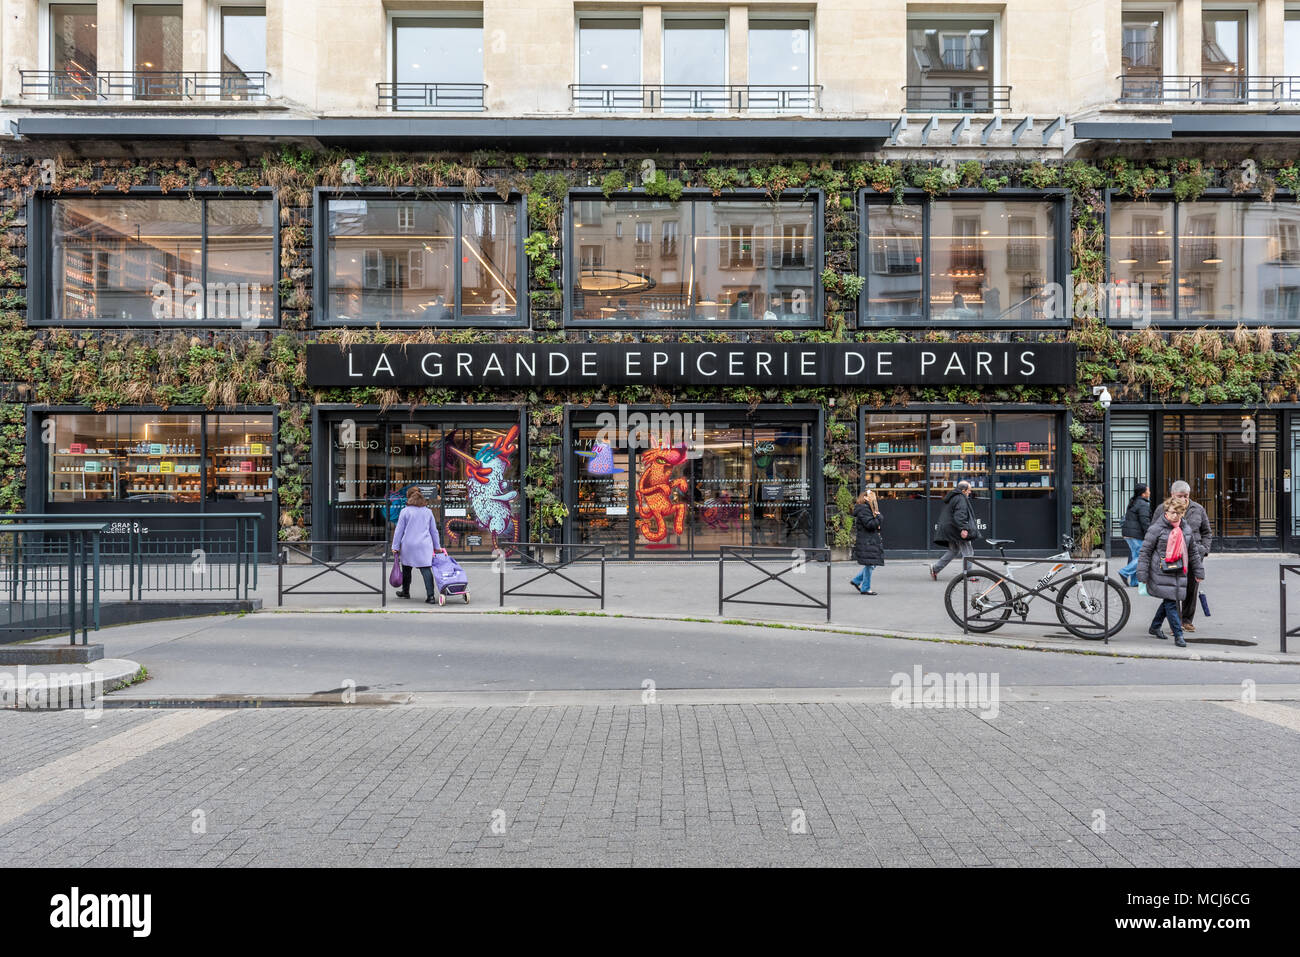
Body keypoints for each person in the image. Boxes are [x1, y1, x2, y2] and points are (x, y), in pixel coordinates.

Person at [1136, 497, 1205, 648]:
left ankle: (1155, 626)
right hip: (1160, 571)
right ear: (1166, 511)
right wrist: (1142, 574)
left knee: (1170, 598)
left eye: (1179, 513)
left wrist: (1199, 572)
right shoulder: (1156, 528)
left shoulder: (1185, 529)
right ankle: (1178, 635)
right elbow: (1145, 552)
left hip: (1179, 570)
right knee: (1171, 602)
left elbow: (1192, 552)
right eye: (1172, 512)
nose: (1175, 516)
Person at [1170, 480, 1212, 632]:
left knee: (1191, 587)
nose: (1184, 499)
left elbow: (1207, 532)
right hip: (1173, 554)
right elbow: (1155, 531)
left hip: (1195, 555)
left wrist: (1204, 549)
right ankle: (1175, 621)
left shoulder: (1198, 509)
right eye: (1180, 495)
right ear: (1172, 495)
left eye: (1186, 495)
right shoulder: (1165, 509)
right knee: (1173, 588)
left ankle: (1187, 620)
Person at [391, 486, 442, 604]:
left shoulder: (405, 511)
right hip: (424, 545)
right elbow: (433, 531)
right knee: (426, 570)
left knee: (407, 569)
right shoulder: (428, 512)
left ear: (409, 499)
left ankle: (405, 591)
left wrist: (395, 547)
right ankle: (431, 596)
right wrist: (437, 547)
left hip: (408, 545)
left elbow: (399, 530)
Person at [929, 480, 977, 580]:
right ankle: (968, 575)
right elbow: (960, 515)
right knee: (968, 552)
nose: (970, 492)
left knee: (954, 550)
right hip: (956, 529)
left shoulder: (954, 497)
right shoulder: (961, 498)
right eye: (969, 490)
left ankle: (935, 568)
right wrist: (963, 529)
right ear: (963, 490)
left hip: (950, 528)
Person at [850, 490, 884, 595]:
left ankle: (856, 580)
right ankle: (865, 588)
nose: (873, 499)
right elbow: (869, 525)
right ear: (865, 498)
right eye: (871, 497)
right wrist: (879, 518)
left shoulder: (866, 508)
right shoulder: (864, 509)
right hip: (867, 540)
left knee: (872, 564)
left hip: (869, 540)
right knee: (870, 564)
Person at [1118, 482, 1152, 586]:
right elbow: (1145, 522)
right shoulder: (1143, 504)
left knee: (1135, 557)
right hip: (1136, 534)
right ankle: (1124, 572)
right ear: (1143, 494)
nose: (1149, 492)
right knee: (1142, 557)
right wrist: (1149, 535)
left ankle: (1134, 581)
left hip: (1129, 533)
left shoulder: (1134, 502)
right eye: (1148, 490)